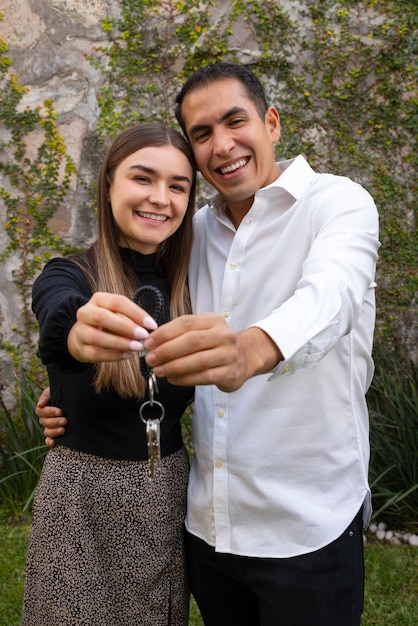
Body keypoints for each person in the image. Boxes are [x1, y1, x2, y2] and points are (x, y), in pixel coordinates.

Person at [38, 63, 380, 626]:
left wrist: (253, 348)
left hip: (307, 526)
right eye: (201, 134)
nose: (221, 145)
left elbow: (332, 298)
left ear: (271, 123)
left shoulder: (337, 205)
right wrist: (67, 384)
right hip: (207, 526)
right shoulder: (191, 234)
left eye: (234, 121)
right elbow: (78, 291)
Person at [23, 123, 196, 626]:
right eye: (143, 178)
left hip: (166, 490)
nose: (160, 198)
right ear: (109, 185)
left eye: (178, 186)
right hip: (81, 495)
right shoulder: (70, 273)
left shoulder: (188, 282)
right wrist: (77, 336)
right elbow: (60, 313)